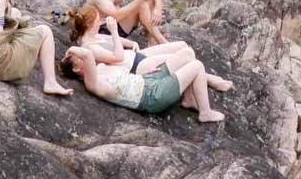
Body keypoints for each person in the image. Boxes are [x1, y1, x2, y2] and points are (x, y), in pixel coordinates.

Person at [65, 5, 233, 92]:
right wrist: (115, 31)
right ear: (89, 24)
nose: (100, 19)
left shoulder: (95, 36)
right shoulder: (89, 47)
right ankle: (208, 80)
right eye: (97, 18)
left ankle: (206, 77)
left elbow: (119, 43)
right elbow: (117, 57)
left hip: (134, 56)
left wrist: (132, 43)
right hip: (134, 67)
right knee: (185, 56)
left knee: (181, 45)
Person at [60, 43, 225, 122]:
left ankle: (189, 100)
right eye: (79, 58)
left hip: (147, 79)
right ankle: (205, 112)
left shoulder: (101, 67)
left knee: (187, 53)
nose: (85, 57)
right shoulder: (92, 83)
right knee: (196, 66)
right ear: (77, 69)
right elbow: (88, 54)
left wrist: (144, 71)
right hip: (151, 96)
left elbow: (124, 69)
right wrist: (71, 50)